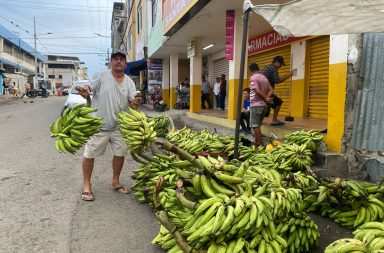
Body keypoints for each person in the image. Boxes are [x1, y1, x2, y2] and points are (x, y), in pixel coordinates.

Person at [78, 51, 141, 201]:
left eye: (121, 60)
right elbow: (89, 87)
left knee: (120, 154)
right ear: (111, 63)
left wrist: (136, 102)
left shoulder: (129, 82)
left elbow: (133, 102)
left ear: (125, 64)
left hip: (120, 126)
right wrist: (86, 91)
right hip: (100, 125)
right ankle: (87, 185)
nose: (118, 62)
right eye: (115, 59)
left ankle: (115, 182)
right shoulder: (101, 76)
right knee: (89, 154)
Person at [262, 55, 295, 126]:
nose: (280, 66)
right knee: (278, 102)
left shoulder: (267, 66)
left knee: (267, 106)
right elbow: (277, 80)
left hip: (262, 91)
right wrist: (289, 75)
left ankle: (259, 120)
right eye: (280, 64)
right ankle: (274, 120)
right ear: (276, 62)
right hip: (266, 92)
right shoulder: (273, 68)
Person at [249, 63, 273, 147]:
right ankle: (256, 142)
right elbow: (271, 90)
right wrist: (266, 98)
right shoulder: (264, 78)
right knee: (258, 125)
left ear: (250, 71)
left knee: (255, 126)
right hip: (264, 105)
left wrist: (265, 98)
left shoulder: (253, 77)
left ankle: (262, 145)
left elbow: (257, 91)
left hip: (256, 105)